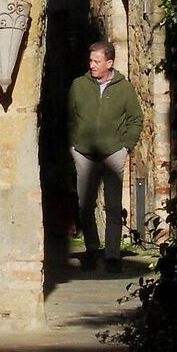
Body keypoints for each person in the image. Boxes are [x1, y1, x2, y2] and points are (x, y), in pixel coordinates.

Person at [67, 36, 143, 271]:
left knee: (113, 206)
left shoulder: (124, 88)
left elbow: (136, 119)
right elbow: (69, 116)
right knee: (85, 205)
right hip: (84, 153)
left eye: (96, 61)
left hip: (113, 153)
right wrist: (73, 144)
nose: (91, 65)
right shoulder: (79, 85)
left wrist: (126, 146)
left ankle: (112, 256)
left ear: (109, 63)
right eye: (90, 61)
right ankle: (91, 250)